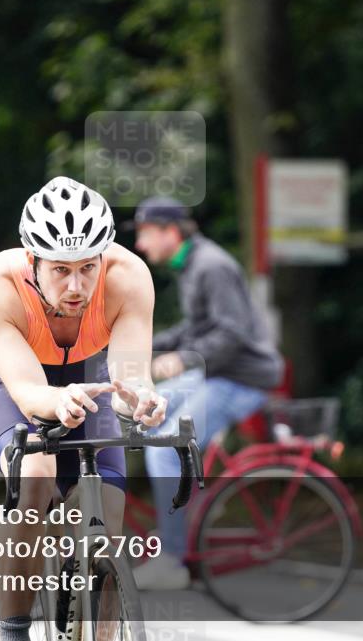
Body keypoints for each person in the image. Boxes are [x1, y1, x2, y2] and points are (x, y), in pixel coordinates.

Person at [0, 177, 168, 641]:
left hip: (89, 375)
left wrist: (142, 398)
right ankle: (13, 630)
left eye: (87, 268)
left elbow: (130, 376)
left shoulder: (128, 277)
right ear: (32, 260)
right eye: (60, 270)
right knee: (35, 475)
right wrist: (56, 400)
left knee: (107, 520)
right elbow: (27, 391)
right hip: (10, 377)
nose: (76, 286)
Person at [127, 196, 284, 590]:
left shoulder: (211, 266)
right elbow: (195, 329)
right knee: (148, 415)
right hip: (217, 374)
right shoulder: (191, 265)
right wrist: (142, 346)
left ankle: (172, 560)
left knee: (165, 449)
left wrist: (183, 359)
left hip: (240, 379)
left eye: (146, 234)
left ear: (170, 232)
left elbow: (232, 333)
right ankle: (189, 508)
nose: (140, 245)